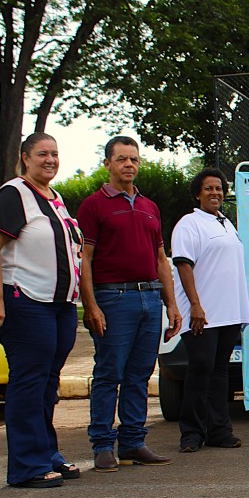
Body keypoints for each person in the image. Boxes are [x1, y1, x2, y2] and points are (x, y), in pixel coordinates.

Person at [0, 133, 82, 488]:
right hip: (26, 303)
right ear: (25, 158)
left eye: (55, 153)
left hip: (59, 305)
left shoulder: (55, 200)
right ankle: (27, 466)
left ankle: (47, 454)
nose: (50, 159)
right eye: (42, 154)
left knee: (46, 383)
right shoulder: (14, 194)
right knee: (29, 381)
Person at [78, 136, 182, 471]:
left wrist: (172, 304)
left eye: (134, 159)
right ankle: (102, 445)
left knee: (140, 374)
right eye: (121, 159)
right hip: (113, 298)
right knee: (110, 373)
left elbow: (161, 258)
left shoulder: (150, 207)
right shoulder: (93, 205)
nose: (129, 165)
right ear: (107, 163)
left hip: (150, 297)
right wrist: (91, 306)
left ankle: (134, 443)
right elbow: (85, 259)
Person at [171, 168, 249, 452]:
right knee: (200, 368)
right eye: (209, 188)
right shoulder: (189, 224)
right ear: (197, 193)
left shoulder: (227, 224)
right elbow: (183, 265)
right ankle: (191, 433)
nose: (215, 193)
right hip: (202, 313)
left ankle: (219, 430)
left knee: (219, 372)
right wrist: (195, 304)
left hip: (228, 312)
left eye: (219, 188)